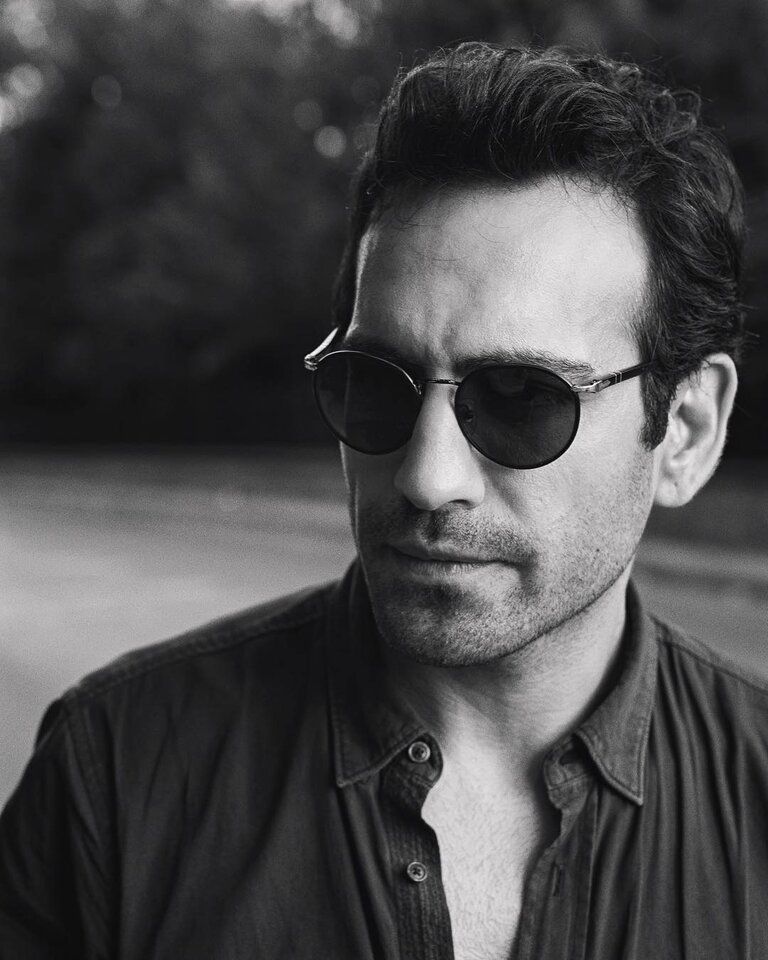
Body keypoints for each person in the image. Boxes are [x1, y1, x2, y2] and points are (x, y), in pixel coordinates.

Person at [0, 41, 763, 960]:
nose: (426, 476)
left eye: (521, 399)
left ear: (686, 430)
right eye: (376, 383)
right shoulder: (116, 774)